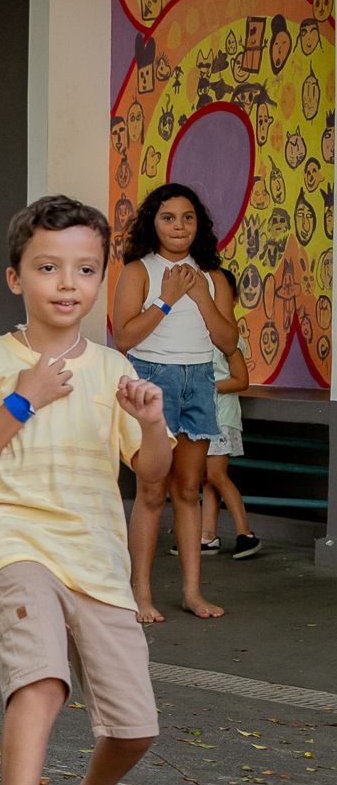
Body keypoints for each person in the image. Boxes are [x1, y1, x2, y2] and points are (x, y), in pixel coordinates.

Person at [0, 194, 171, 785]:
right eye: (48, 267)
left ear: (101, 277)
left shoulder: (111, 368)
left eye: (85, 269)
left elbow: (152, 476)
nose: (67, 284)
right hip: (14, 544)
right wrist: (23, 398)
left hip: (97, 559)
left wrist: (153, 423)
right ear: (17, 278)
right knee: (40, 680)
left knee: (136, 728)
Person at [113, 183, 237, 621]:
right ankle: (140, 593)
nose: (179, 226)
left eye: (187, 217)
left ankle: (191, 592)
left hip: (200, 379)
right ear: (153, 223)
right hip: (152, 379)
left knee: (188, 488)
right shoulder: (138, 271)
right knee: (150, 490)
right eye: (168, 217)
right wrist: (166, 301)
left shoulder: (213, 276)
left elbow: (228, 342)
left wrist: (201, 297)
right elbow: (124, 338)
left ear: (198, 224)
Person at [197, 333, 259, 559]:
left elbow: (241, 381)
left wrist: (204, 388)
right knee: (206, 477)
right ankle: (207, 536)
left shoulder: (228, 340)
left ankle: (246, 533)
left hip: (222, 417)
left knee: (216, 474)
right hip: (204, 416)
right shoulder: (197, 336)